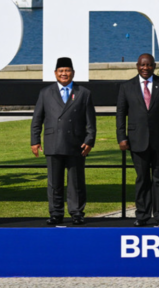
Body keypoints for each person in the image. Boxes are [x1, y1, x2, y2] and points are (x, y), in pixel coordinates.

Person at [31, 57, 97, 226]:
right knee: (54, 182)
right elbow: (37, 119)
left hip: (77, 143)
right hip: (53, 142)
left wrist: (89, 140)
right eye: (61, 71)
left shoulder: (83, 93)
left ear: (73, 73)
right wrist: (35, 140)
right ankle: (56, 213)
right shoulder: (45, 92)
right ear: (55, 73)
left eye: (67, 70)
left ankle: (77, 213)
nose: (64, 74)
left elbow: (90, 121)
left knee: (76, 182)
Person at [116, 54, 159, 227]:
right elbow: (121, 115)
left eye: (149, 65)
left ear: (154, 66)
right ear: (137, 66)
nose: (145, 68)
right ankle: (142, 216)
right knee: (142, 179)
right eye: (142, 65)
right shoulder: (126, 87)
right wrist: (121, 137)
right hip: (137, 141)